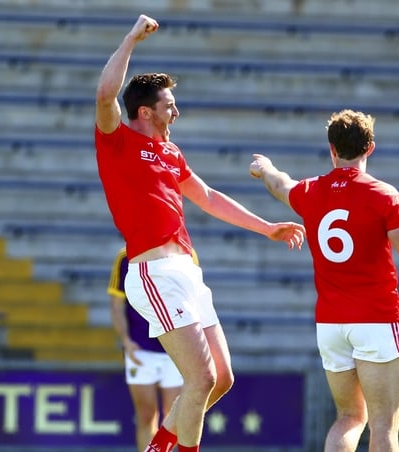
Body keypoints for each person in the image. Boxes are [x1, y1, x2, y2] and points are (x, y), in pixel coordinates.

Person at [95, 15, 306, 452]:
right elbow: (103, 94)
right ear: (145, 111)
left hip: (187, 272)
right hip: (154, 271)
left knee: (222, 379)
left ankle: (161, 445)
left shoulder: (171, 152)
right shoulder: (117, 141)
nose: (177, 111)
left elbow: (208, 196)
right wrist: (132, 39)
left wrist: (266, 227)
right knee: (201, 377)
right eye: (169, 104)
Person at [249, 109, 399, 452]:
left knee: (349, 417)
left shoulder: (311, 192)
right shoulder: (382, 195)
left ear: (332, 149)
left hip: (331, 324)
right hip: (377, 320)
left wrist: (265, 168)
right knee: (384, 425)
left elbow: (280, 185)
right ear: (371, 148)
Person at [110, 246, 195, 451]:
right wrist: (126, 341)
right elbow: (116, 303)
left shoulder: (185, 253)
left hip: (174, 349)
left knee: (173, 415)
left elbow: (193, 299)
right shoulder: (125, 257)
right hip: (140, 348)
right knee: (146, 415)